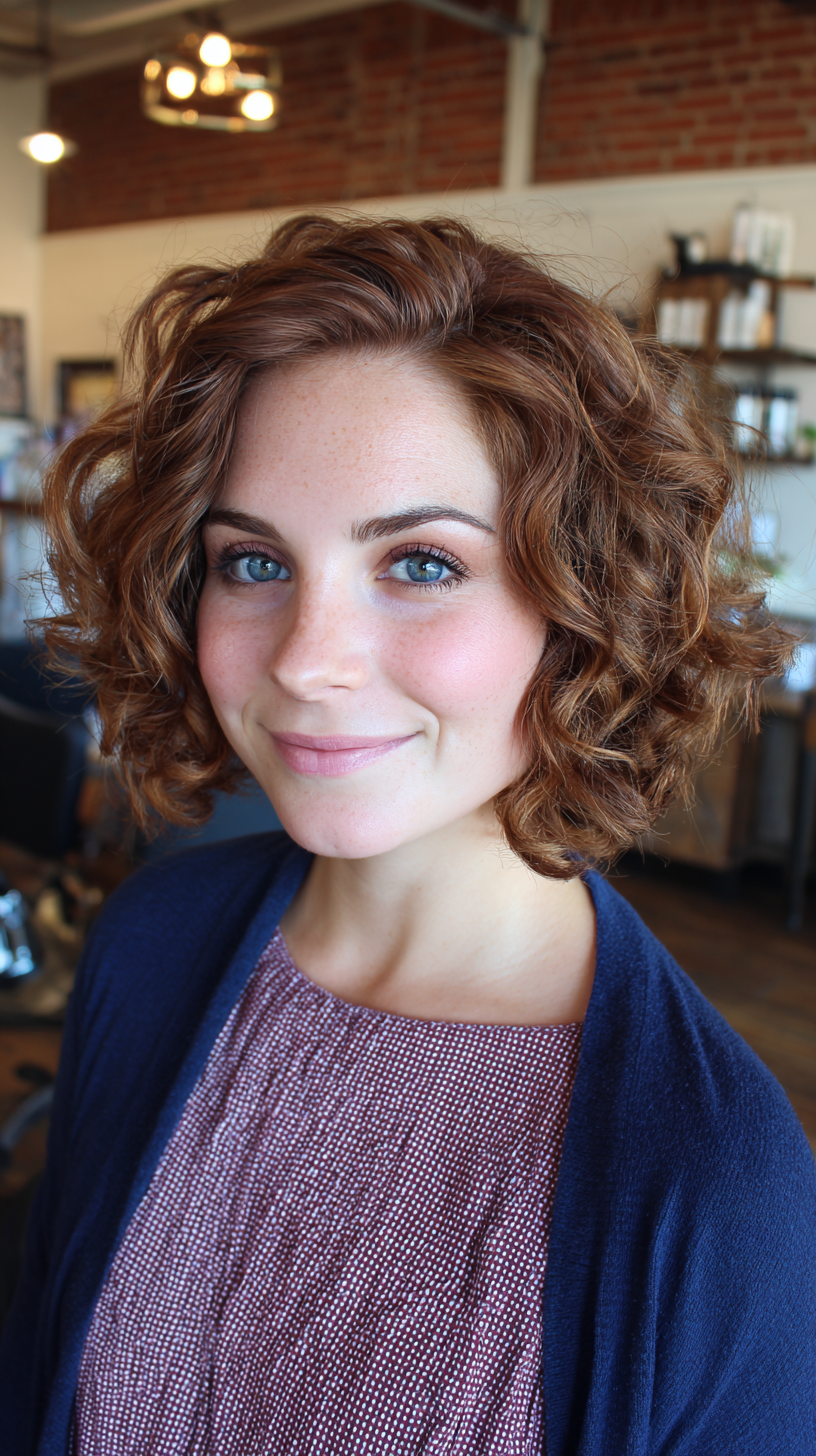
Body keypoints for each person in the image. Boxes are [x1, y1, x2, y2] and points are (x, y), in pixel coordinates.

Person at [1, 216, 814, 1455]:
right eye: (254, 560)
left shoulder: (707, 1177)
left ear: (582, 603)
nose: (308, 663)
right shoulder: (152, 943)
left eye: (423, 563)